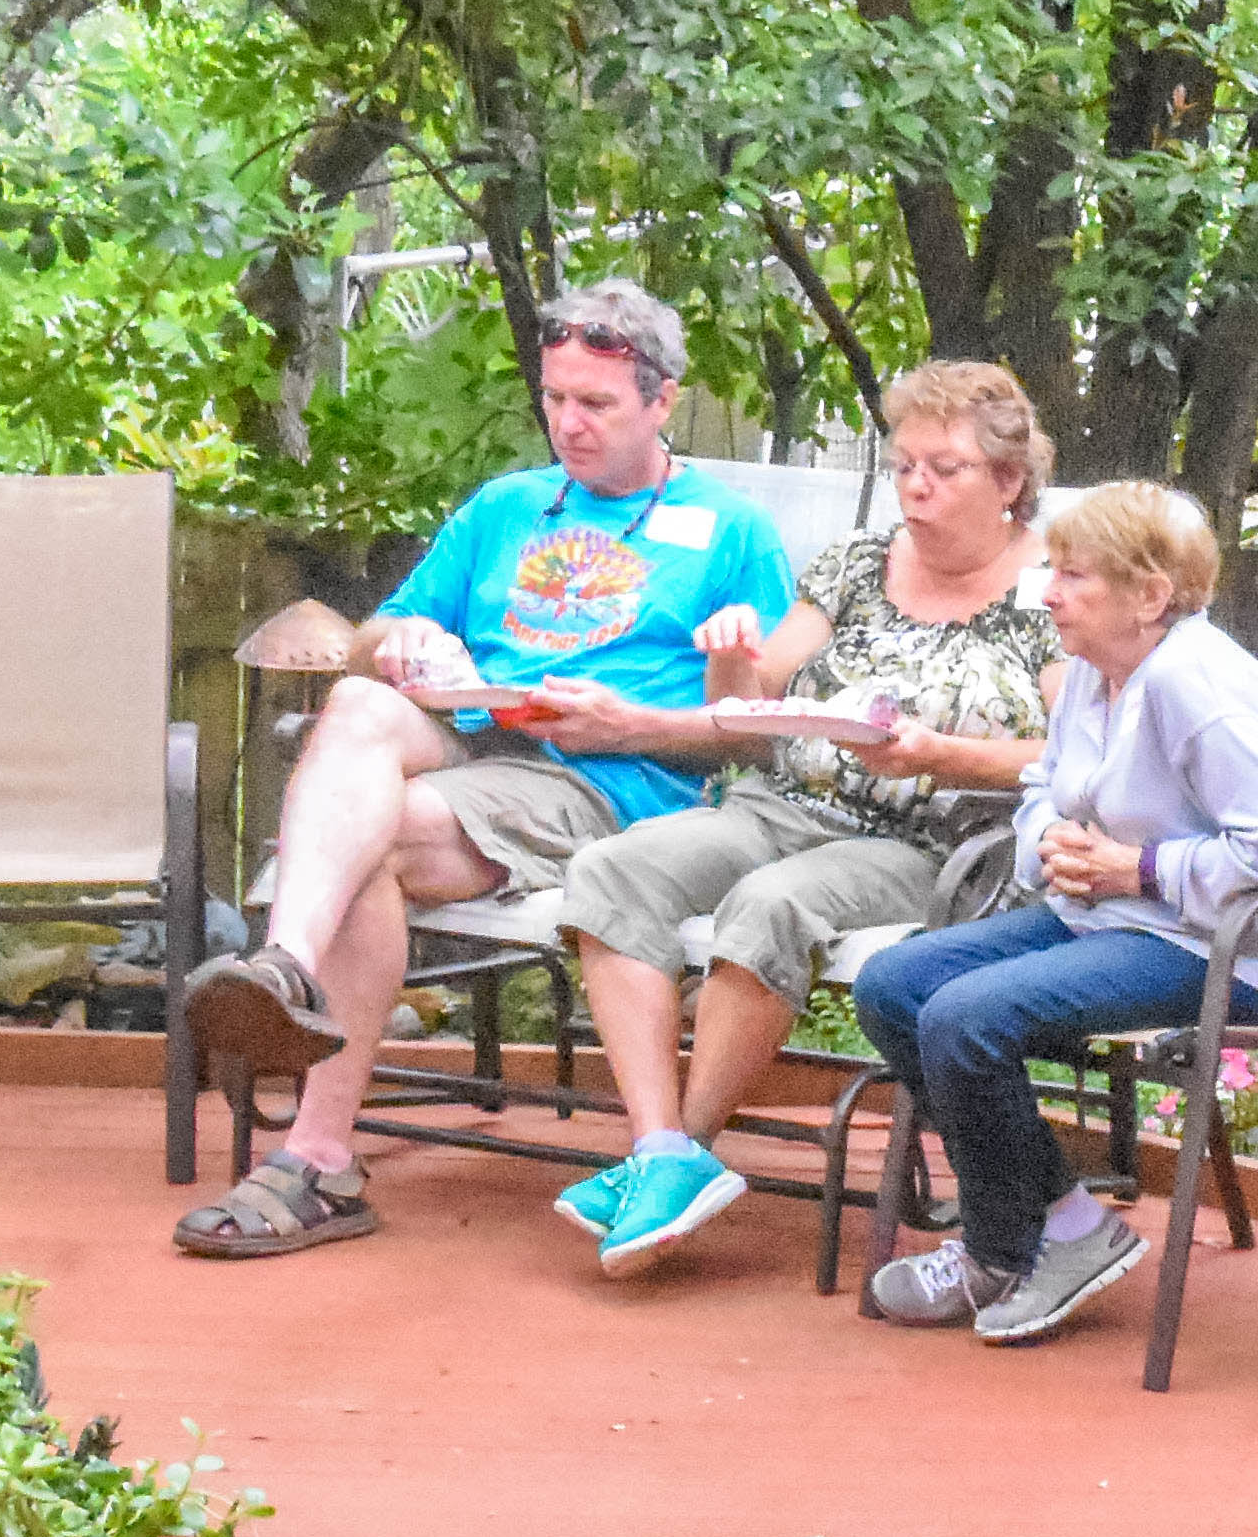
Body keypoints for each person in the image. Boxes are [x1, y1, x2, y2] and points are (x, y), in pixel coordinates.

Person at [171, 278, 797, 1258]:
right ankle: (284, 968)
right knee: (360, 702)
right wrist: (406, 644)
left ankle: (317, 1158)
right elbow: (368, 638)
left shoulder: (732, 532)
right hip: (474, 733)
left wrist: (629, 724)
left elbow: (764, 731)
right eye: (555, 398)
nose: (569, 424)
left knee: (369, 843)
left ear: (662, 400)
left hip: (602, 783)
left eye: (596, 404)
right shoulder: (506, 506)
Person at [556, 361, 1064, 1278]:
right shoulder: (860, 563)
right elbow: (751, 703)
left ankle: (682, 1154)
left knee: (772, 903)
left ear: (1008, 480)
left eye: (943, 468)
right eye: (904, 464)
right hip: (785, 805)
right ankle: (662, 1152)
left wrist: (940, 754)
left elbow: (1078, 756)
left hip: (933, 843)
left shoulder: (1051, 592)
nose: (915, 486)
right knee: (612, 868)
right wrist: (730, 654)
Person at [849, 480, 1258, 1345]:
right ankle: (1066, 1222)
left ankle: (999, 1253)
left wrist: (1140, 867)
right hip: (1116, 916)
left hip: (1239, 951)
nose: (1048, 594)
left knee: (965, 1017)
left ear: (1150, 595)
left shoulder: (1196, 685)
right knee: (894, 986)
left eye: (1073, 576)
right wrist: (1050, 841)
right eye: (1053, 572)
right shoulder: (1094, 669)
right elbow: (1044, 785)